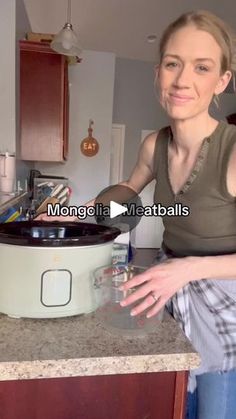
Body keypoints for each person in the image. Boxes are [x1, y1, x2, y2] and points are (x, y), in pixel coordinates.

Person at [38, 10, 236, 418]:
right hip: (170, 291)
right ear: (157, 72)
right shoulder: (154, 146)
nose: (183, 80)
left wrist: (187, 269)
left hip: (225, 305)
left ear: (221, 81)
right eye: (172, 63)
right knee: (176, 404)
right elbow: (125, 196)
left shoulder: (233, 151)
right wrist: (67, 217)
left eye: (202, 67)